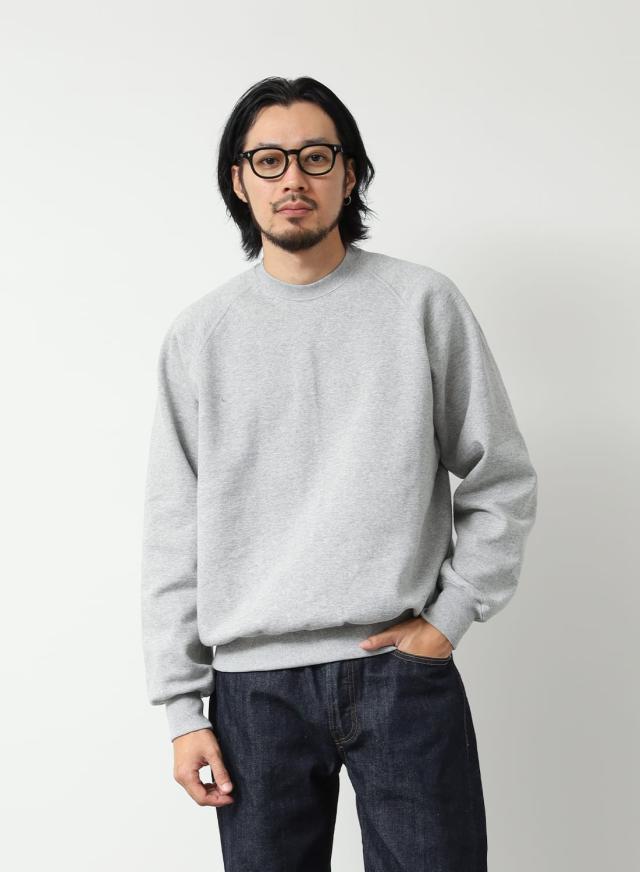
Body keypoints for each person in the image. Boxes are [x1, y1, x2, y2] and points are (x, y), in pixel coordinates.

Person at [140, 75, 538, 872]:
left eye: (316, 157)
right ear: (239, 180)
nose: (293, 177)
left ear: (349, 174)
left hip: (401, 673)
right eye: (270, 159)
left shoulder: (421, 304)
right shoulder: (200, 337)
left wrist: (450, 615)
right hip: (253, 693)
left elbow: (500, 476)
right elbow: (173, 530)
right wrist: (182, 709)